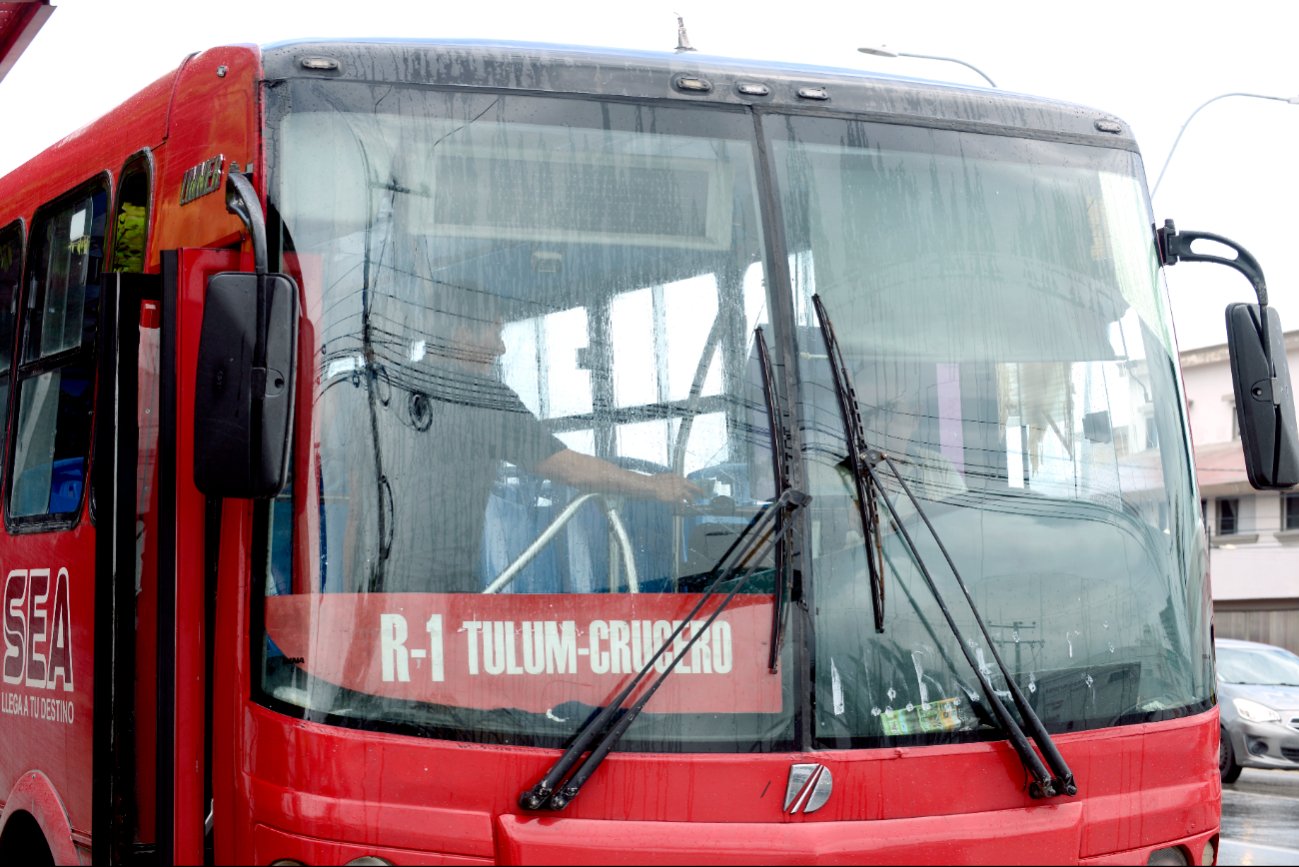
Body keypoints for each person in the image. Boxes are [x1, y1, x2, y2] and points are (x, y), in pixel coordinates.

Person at [355, 289, 703, 594]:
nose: (502, 347)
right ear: (462, 336)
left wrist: (357, 598)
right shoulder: (477, 395)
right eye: (495, 332)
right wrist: (653, 486)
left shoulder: (388, 389)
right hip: (441, 591)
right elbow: (569, 469)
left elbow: (360, 505)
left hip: (379, 584)